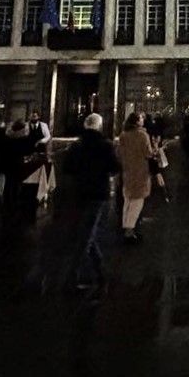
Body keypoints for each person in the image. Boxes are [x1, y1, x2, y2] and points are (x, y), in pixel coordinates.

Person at [62, 112, 120, 292]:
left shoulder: (76, 146)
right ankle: (71, 278)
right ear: (99, 126)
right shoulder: (105, 145)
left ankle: (100, 272)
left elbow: (67, 168)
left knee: (87, 230)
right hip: (97, 193)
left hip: (80, 192)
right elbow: (114, 167)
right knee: (87, 235)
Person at [117, 113, 153, 241]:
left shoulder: (123, 135)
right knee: (137, 202)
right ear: (137, 121)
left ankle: (125, 225)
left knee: (127, 200)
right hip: (140, 171)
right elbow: (148, 153)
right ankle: (129, 230)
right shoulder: (142, 135)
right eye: (141, 118)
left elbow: (119, 153)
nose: (143, 120)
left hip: (127, 171)